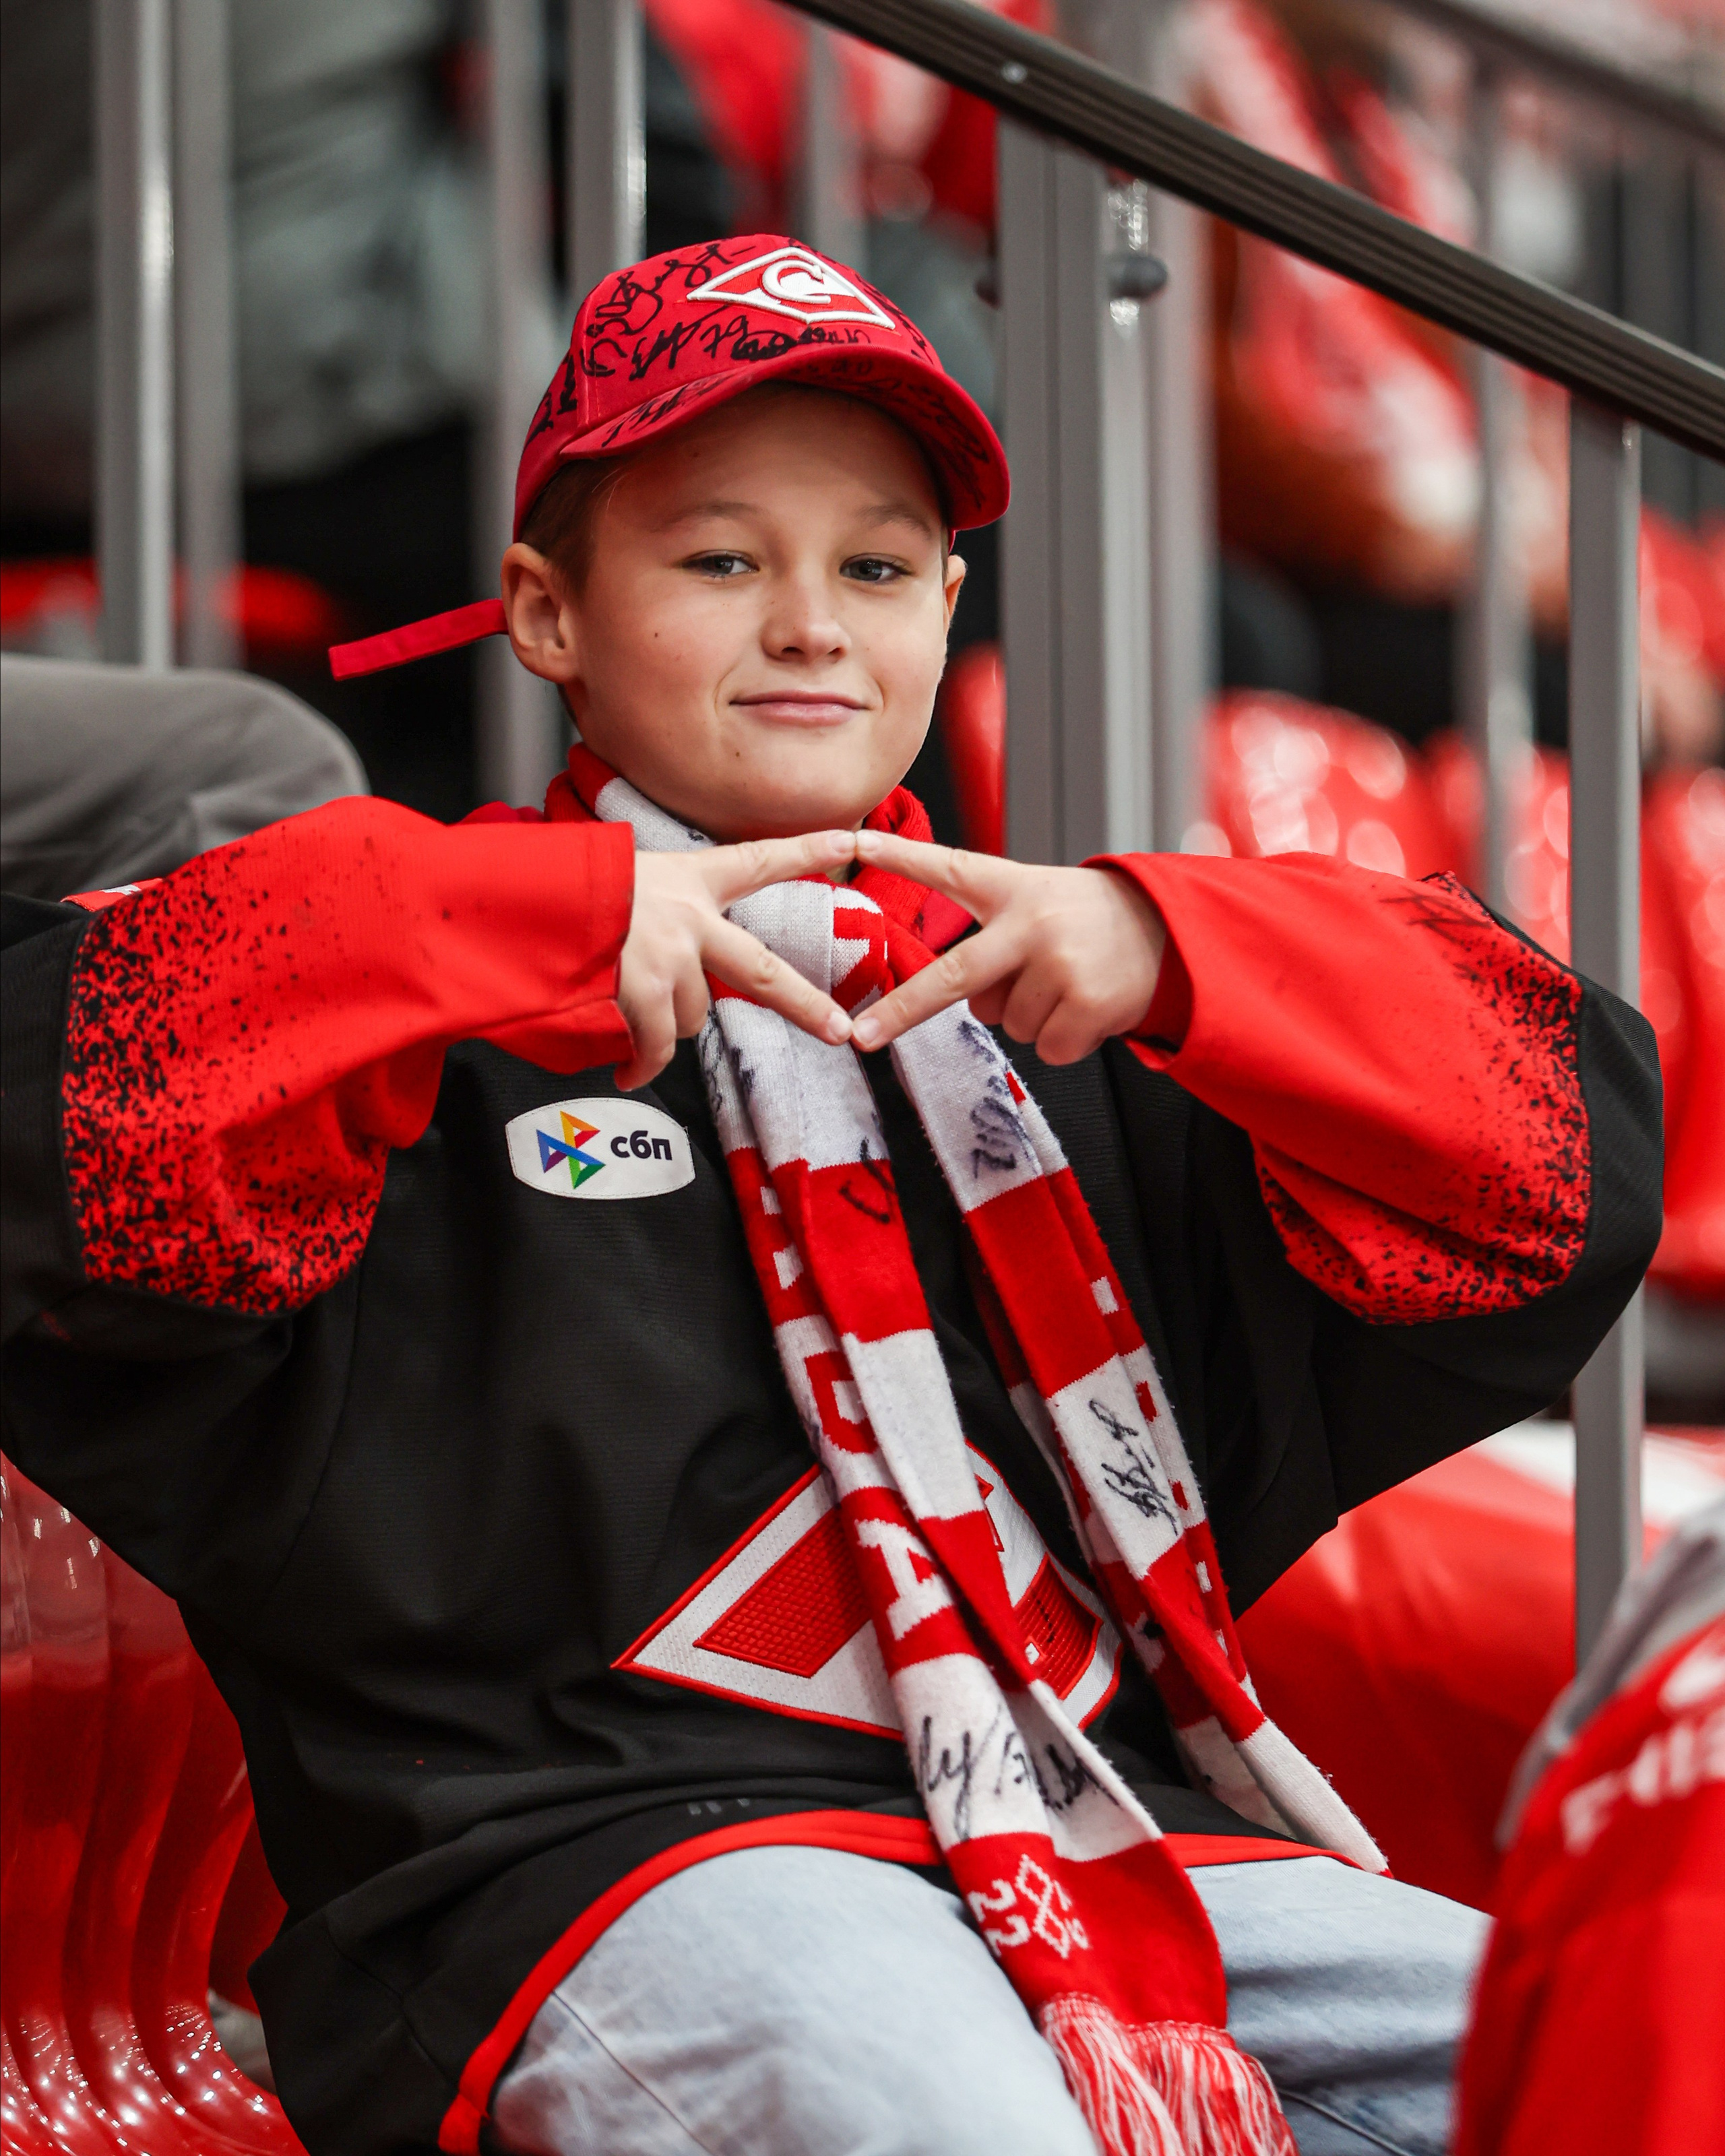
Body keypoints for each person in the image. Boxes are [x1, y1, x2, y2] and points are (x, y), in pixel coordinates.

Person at [0, 234, 1661, 2156]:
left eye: (875, 569)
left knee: (1628, 2048)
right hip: (587, 1882)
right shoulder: (395, 1009)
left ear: (948, 612)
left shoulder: (1069, 1009)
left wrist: (1183, 937)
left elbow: (1559, 1162)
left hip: (1105, 1845)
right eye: (721, 561)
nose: (810, 625)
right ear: (545, 613)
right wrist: (493, 927)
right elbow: (64, 1105)